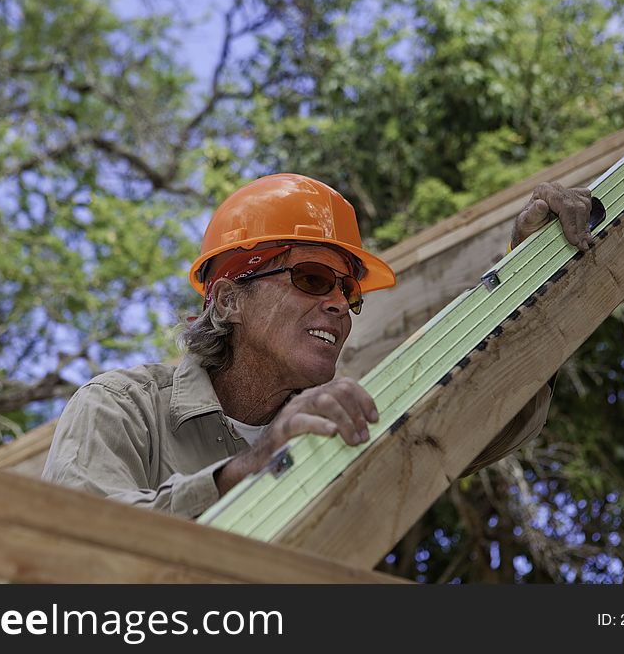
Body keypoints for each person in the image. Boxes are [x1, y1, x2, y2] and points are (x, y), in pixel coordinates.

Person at [42, 174, 592, 518]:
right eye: (310, 278)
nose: (337, 303)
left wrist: (531, 272)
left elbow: (495, 413)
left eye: (347, 290)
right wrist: (257, 465)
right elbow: (73, 548)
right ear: (229, 300)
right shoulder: (120, 408)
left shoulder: (347, 423)